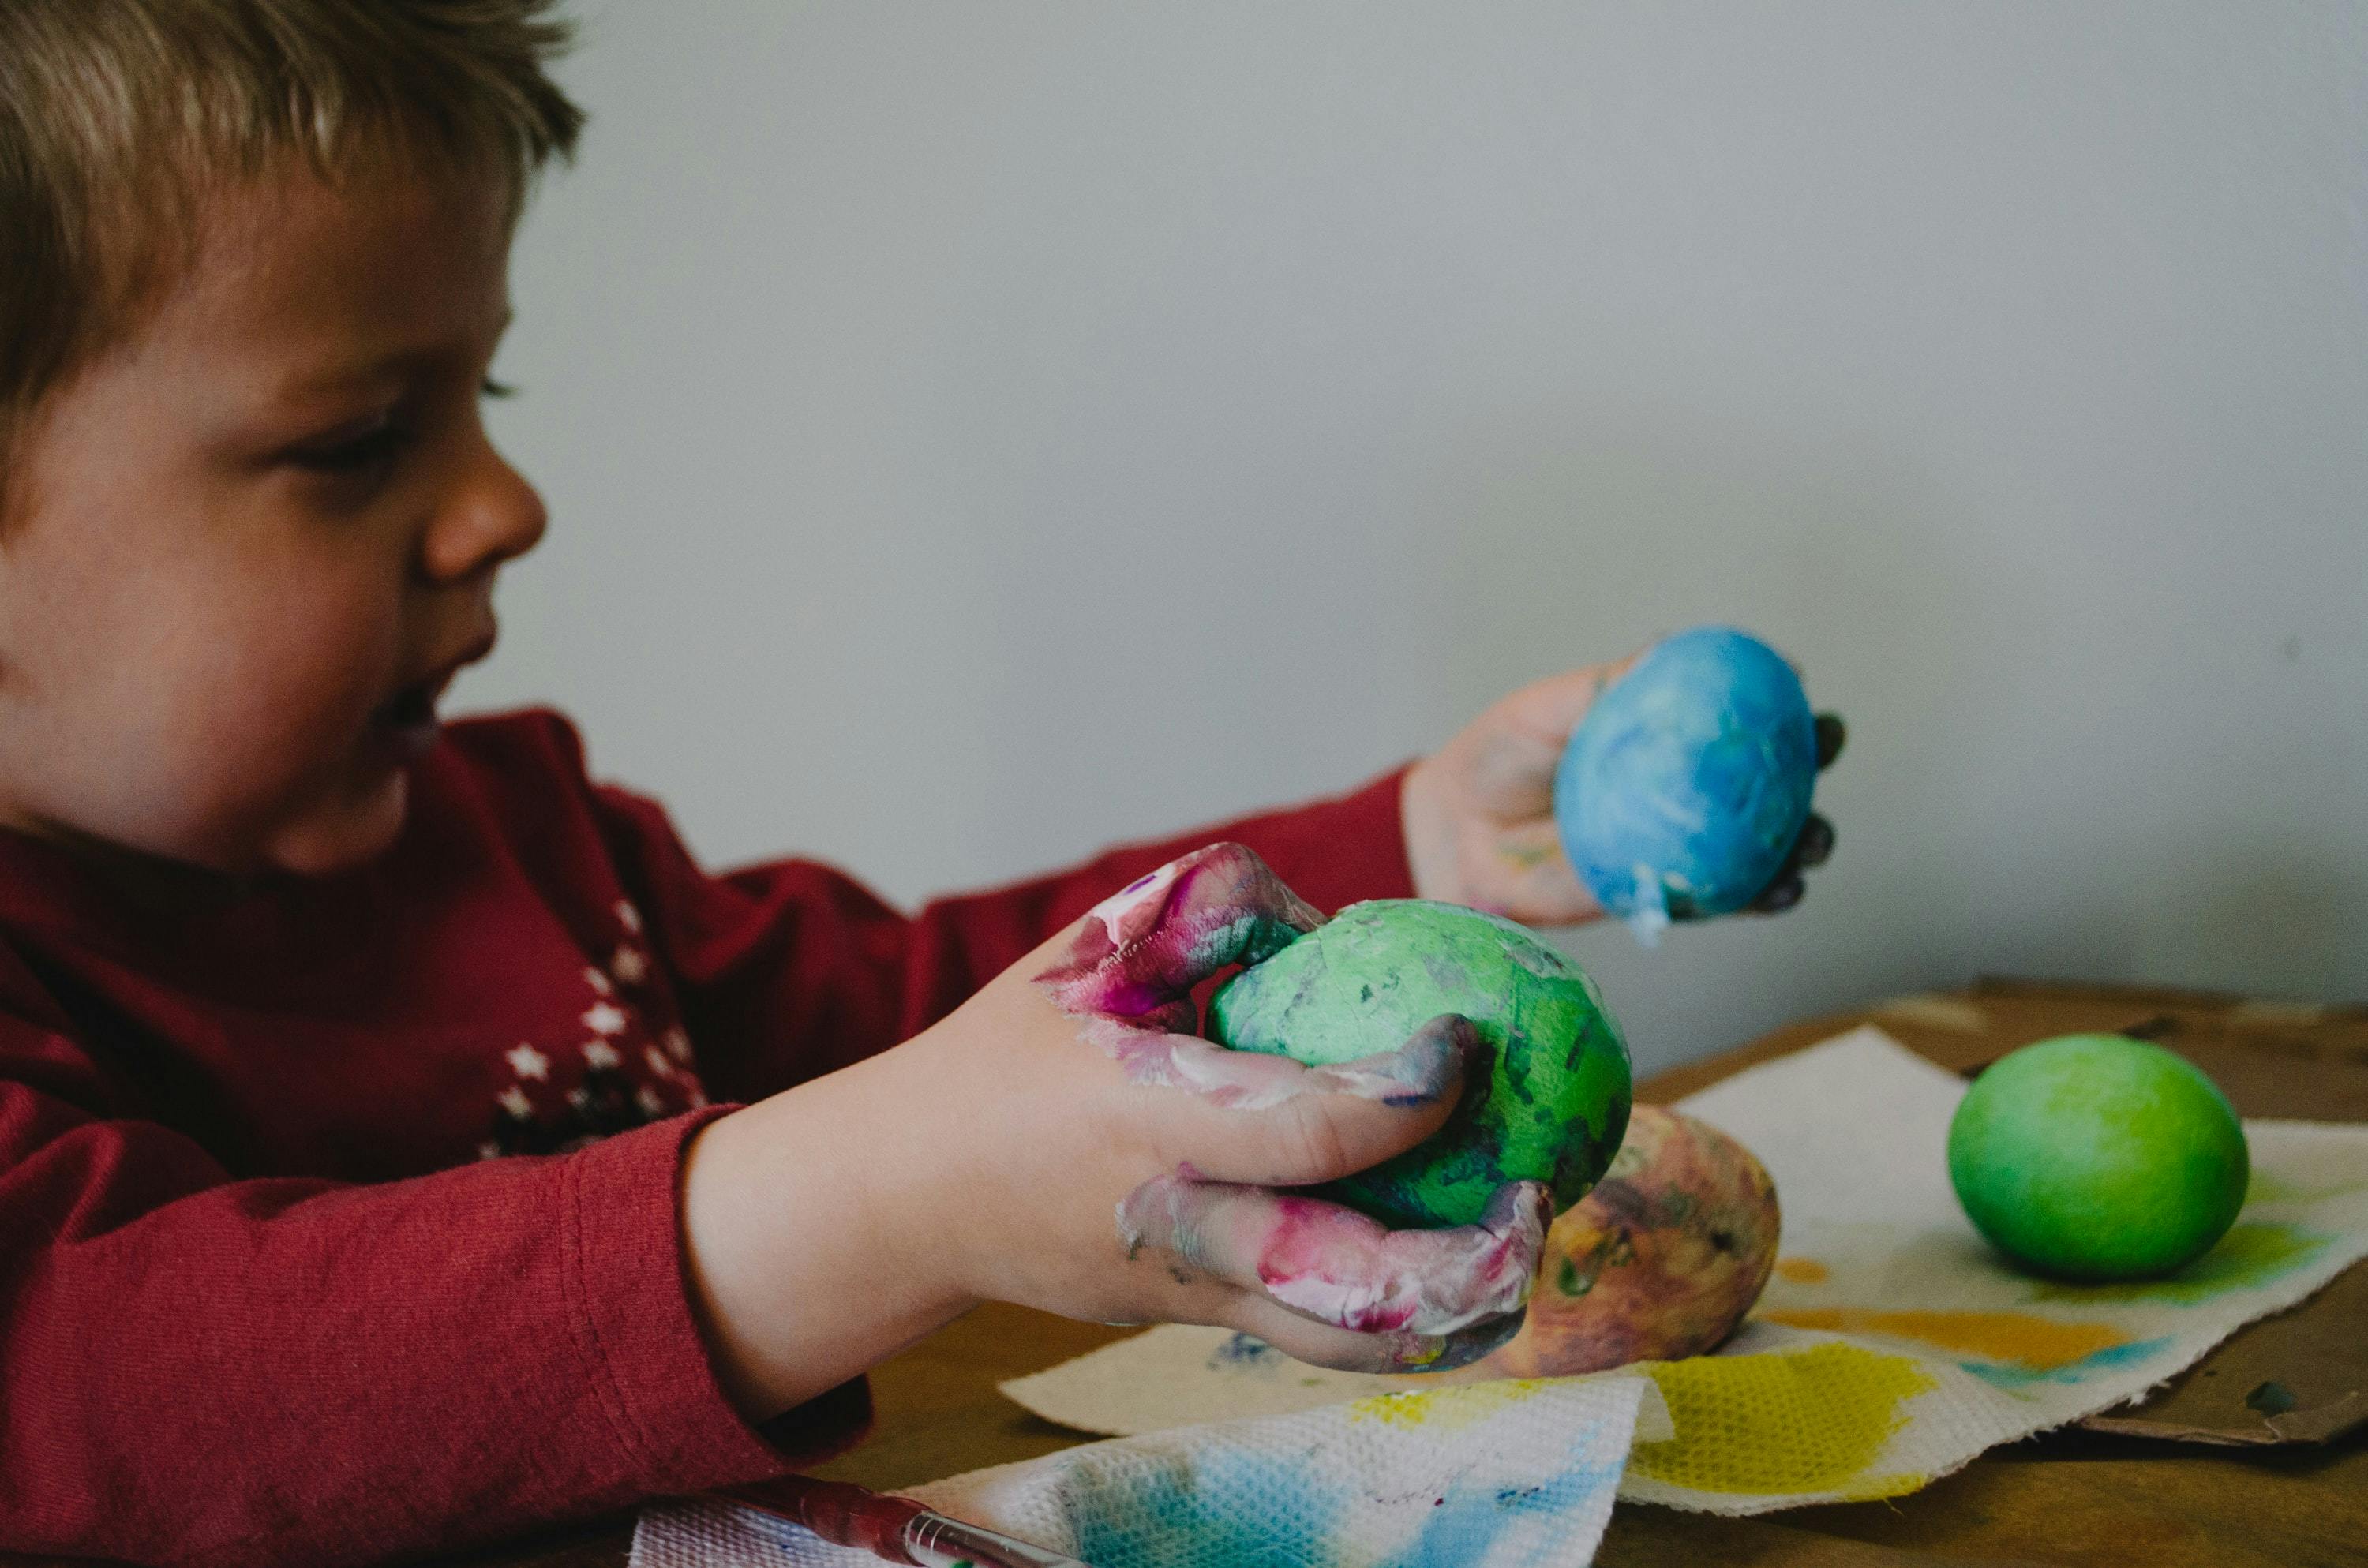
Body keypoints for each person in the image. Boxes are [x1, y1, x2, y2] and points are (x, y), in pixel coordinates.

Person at [0, 4, 1839, 1564]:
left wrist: (1411, 853)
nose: (504, 506)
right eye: (357, 440)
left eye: (493, 393)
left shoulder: (536, 854)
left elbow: (938, 1030)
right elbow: (93, 1380)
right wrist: (881, 1199)